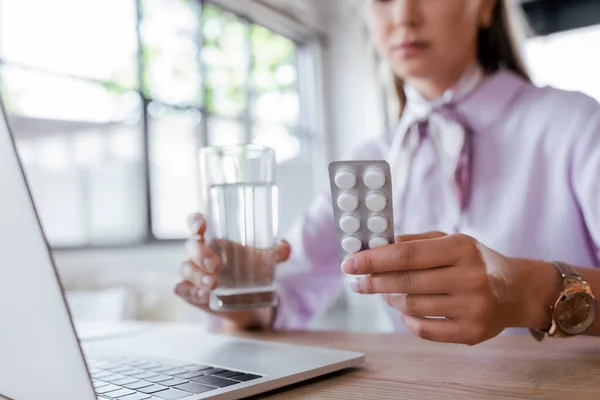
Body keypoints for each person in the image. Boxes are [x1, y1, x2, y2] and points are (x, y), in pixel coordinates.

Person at [175, 0, 600, 345]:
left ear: (485, 6)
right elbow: (282, 298)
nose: (403, 16)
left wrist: (530, 292)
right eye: (380, 0)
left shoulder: (577, 124)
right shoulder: (365, 164)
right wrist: (236, 283)